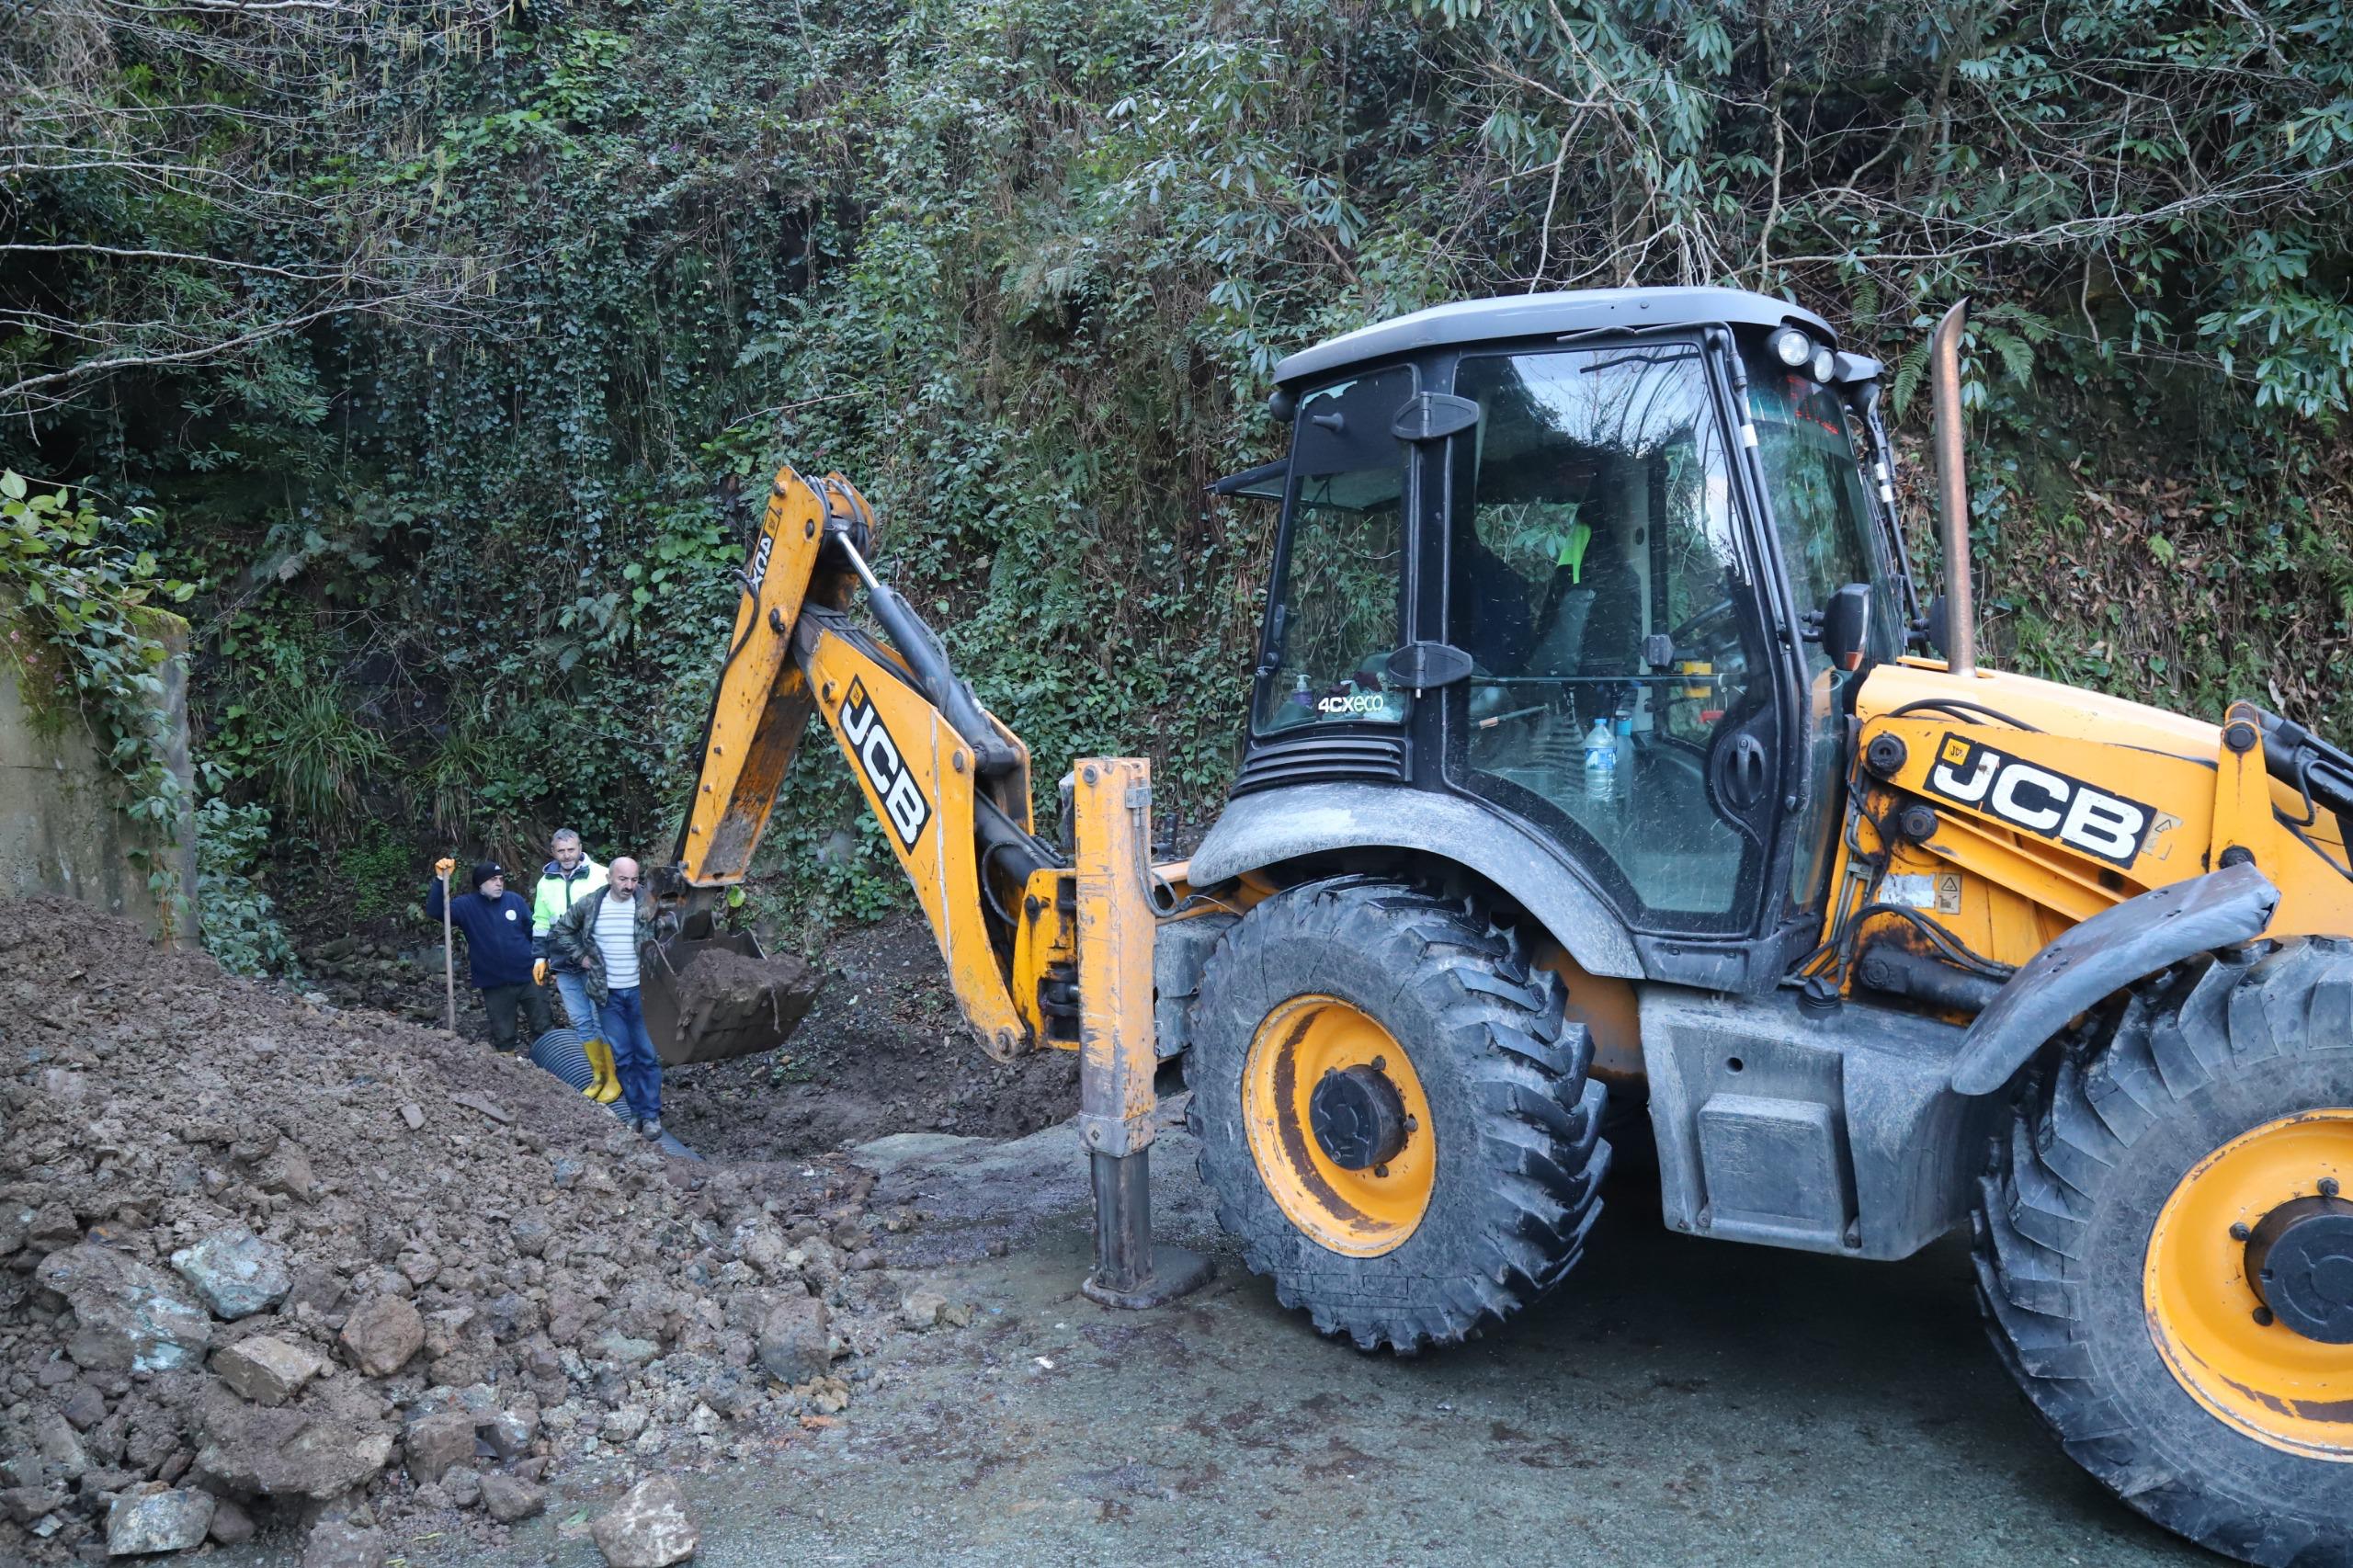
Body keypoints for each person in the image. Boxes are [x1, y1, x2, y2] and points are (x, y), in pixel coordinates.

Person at [544, 856, 675, 1141]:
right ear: (609, 878)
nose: (629, 886)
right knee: (623, 1057)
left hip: (642, 993)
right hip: (607, 996)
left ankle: (651, 1116)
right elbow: (561, 929)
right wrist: (582, 958)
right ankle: (636, 1112)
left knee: (647, 1056)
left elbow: (673, 931)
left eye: (633, 879)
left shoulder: (649, 903)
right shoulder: (592, 904)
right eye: (622, 879)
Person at [427, 858, 551, 1054]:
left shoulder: (514, 900)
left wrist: (543, 957)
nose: (499, 883)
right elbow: (436, 911)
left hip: (529, 976)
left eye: (501, 879)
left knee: (543, 1025)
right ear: (480, 884)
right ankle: (510, 1070)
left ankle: (550, 1062)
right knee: (503, 1034)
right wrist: (439, 879)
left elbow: (532, 931)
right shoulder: (466, 906)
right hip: (494, 982)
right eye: (493, 879)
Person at [529, 829, 617, 1103]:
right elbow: (542, 922)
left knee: (601, 1018)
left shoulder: (601, 874)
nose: (566, 855)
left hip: (594, 960)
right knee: (581, 1020)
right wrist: (539, 958)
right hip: (564, 962)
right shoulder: (546, 883)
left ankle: (614, 1078)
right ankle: (598, 1076)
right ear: (553, 852)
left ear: (580, 848)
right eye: (560, 851)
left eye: (571, 850)